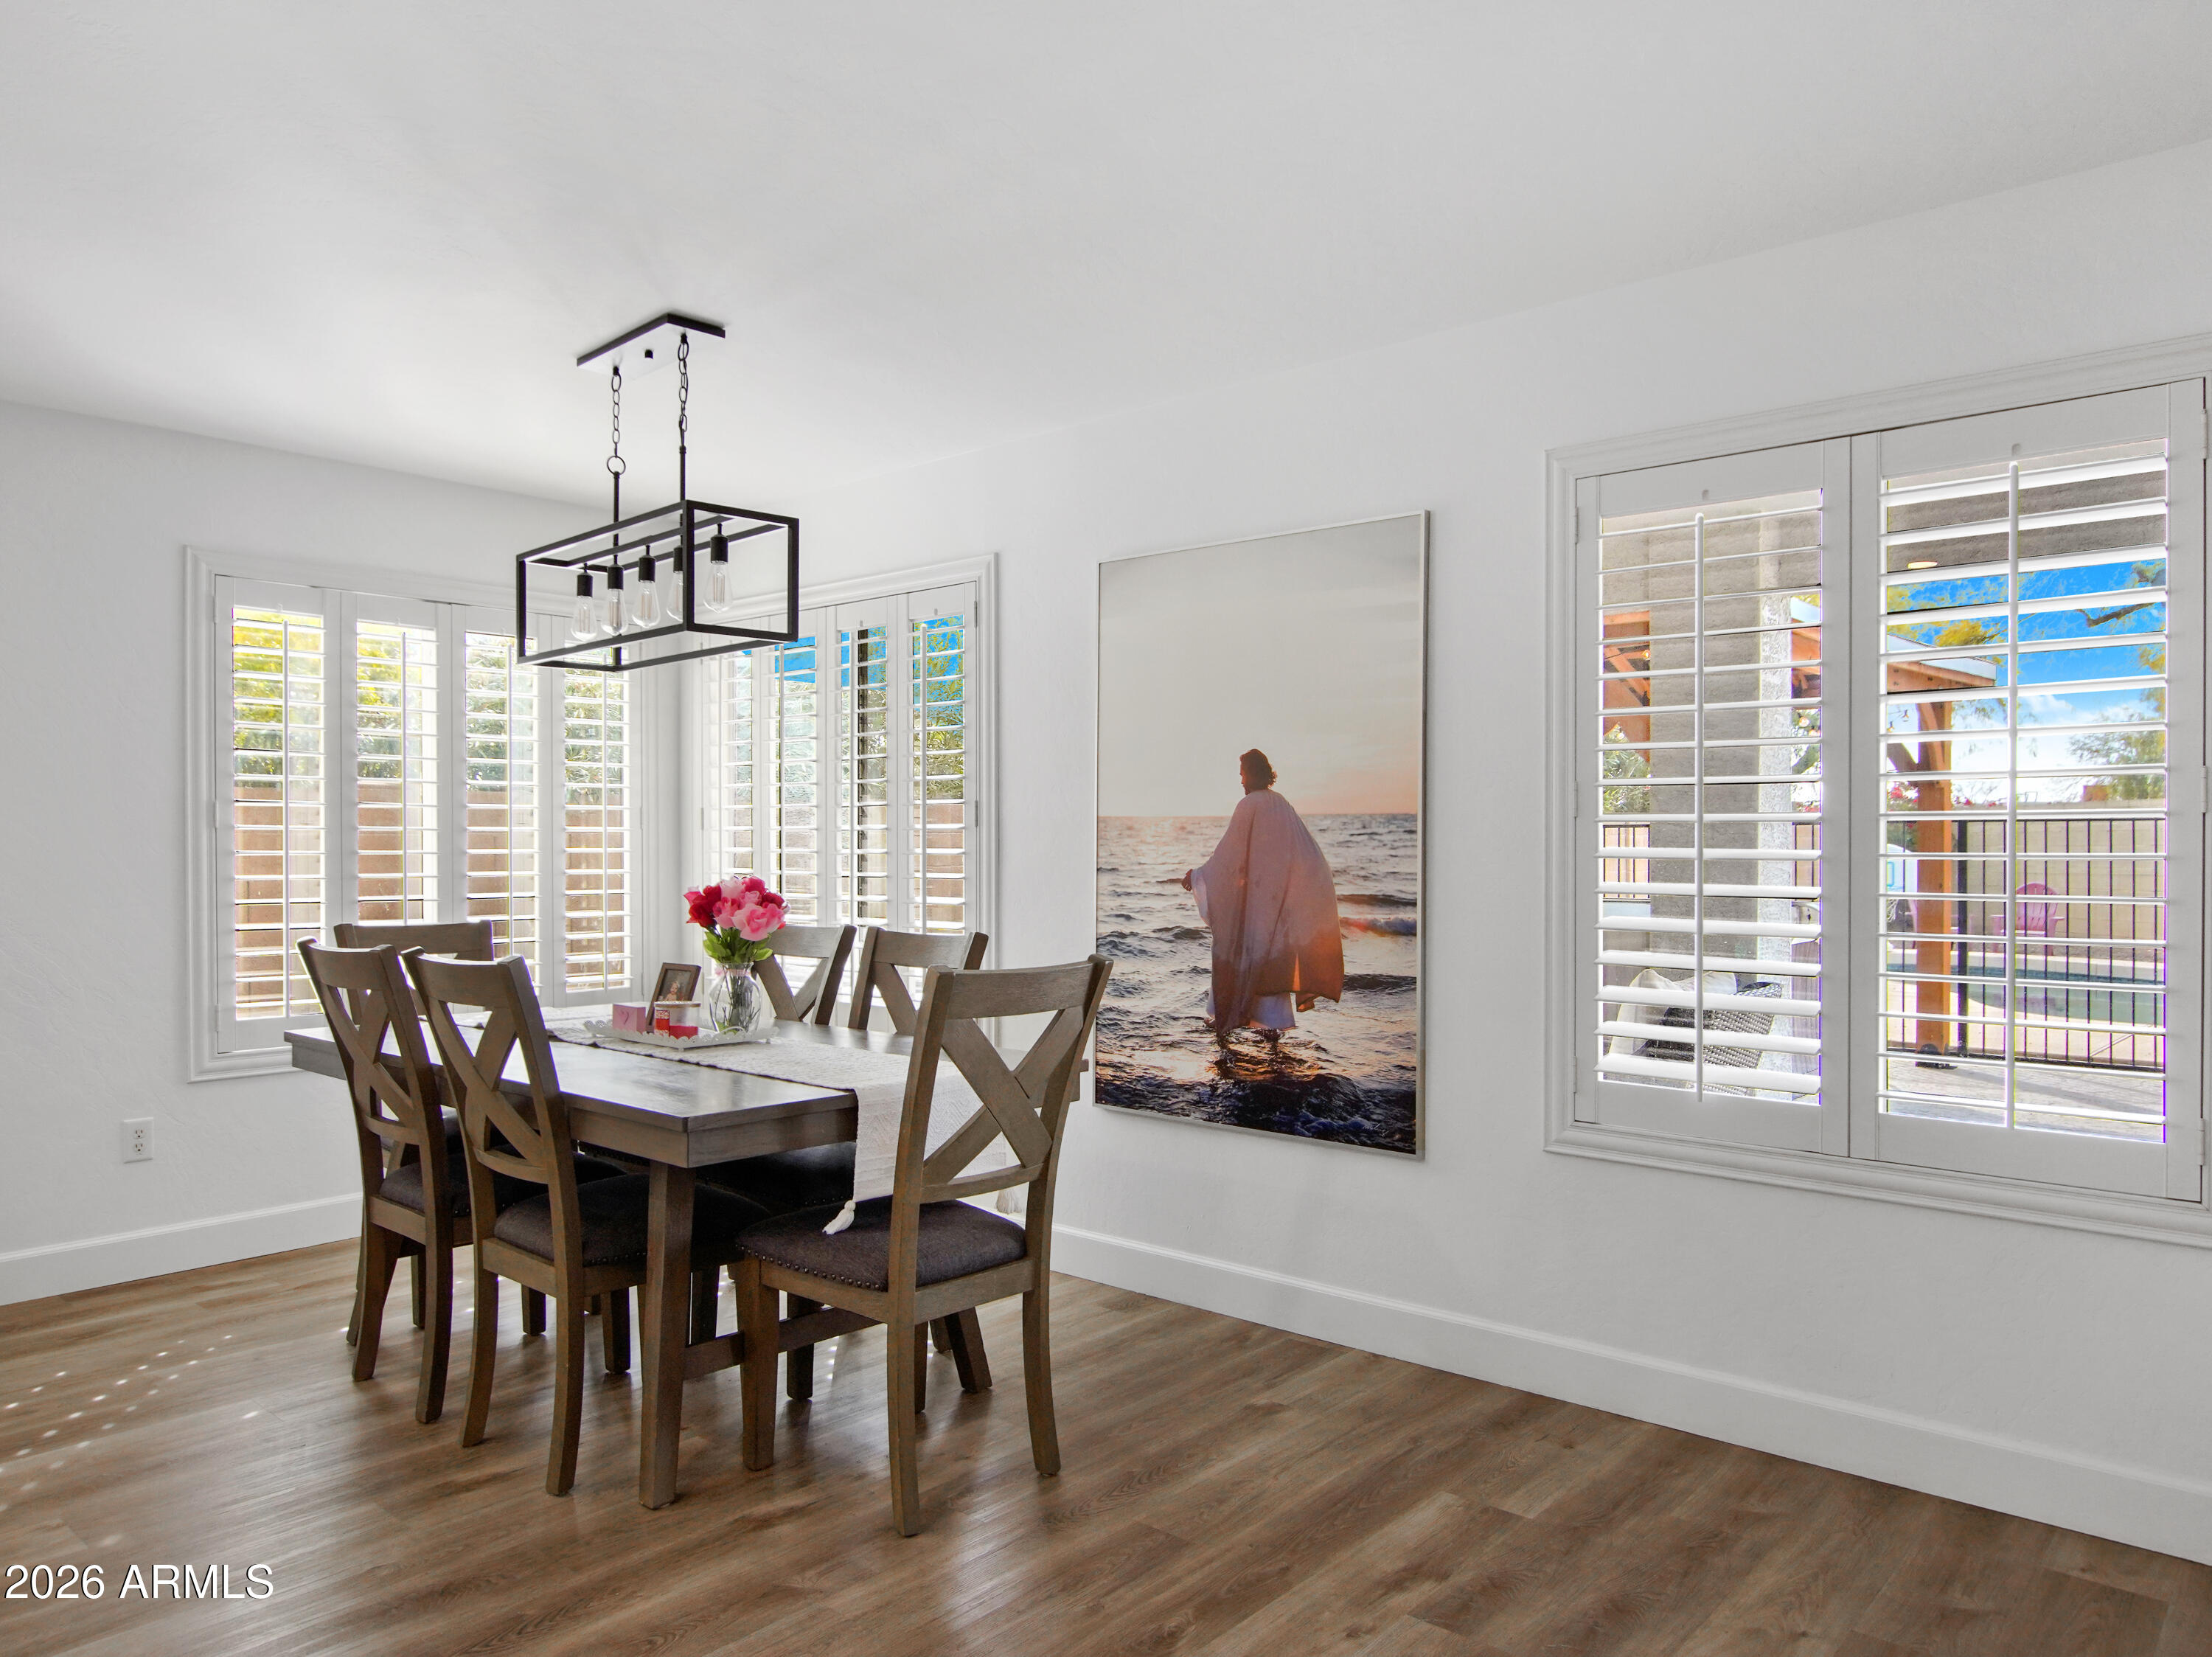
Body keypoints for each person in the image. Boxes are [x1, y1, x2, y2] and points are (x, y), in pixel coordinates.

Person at [1179, 748, 1343, 1041]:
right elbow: (1307, 853)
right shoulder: (1282, 804)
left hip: (1256, 903)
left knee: (1241, 952)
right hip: (1276, 904)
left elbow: (1228, 858)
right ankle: (1273, 1029)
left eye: (1243, 774)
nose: (1241, 781)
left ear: (1253, 774)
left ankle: (1227, 1022)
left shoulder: (1249, 805)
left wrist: (1197, 876)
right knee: (1272, 958)